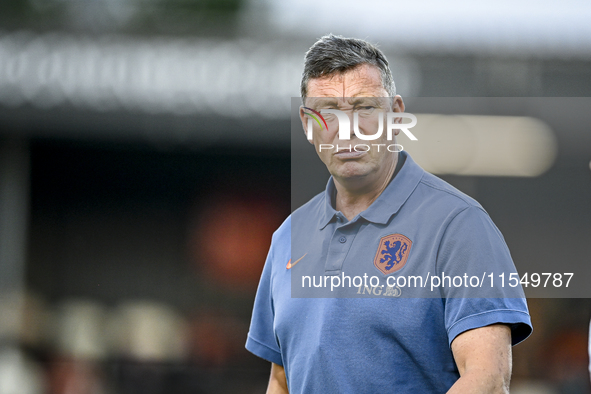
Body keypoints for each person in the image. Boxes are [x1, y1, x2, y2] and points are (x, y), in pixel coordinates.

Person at [246, 34, 532, 393]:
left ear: (396, 115)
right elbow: (281, 380)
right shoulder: (288, 236)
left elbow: (486, 380)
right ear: (307, 123)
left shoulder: (458, 225)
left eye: (365, 108)